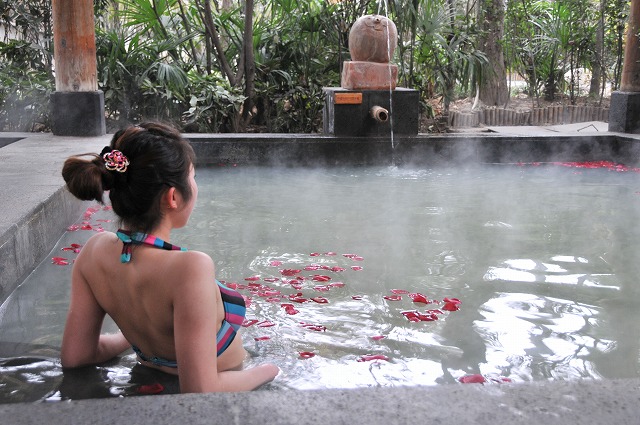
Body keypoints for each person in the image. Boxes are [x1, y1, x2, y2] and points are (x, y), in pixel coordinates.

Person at [60, 122, 279, 392]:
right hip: (220, 394)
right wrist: (272, 370)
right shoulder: (190, 268)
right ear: (173, 197)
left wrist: (126, 338)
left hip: (145, 377)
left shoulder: (93, 253)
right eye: (192, 177)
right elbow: (201, 391)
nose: (195, 186)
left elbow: (76, 357)